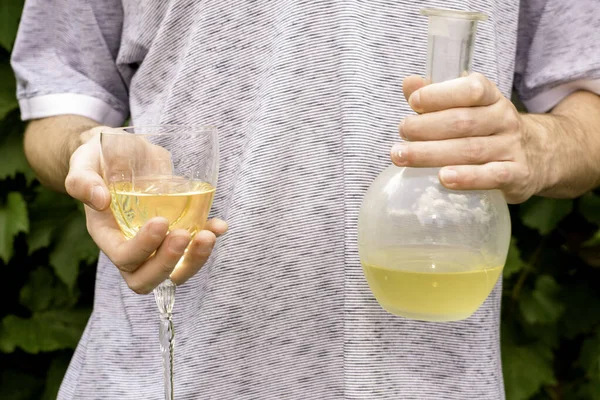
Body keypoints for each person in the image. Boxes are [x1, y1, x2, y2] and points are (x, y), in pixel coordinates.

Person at [10, 0, 600, 398]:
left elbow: (587, 105)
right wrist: (90, 152)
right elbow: (60, 100)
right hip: (163, 378)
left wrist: (538, 144)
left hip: (431, 383)